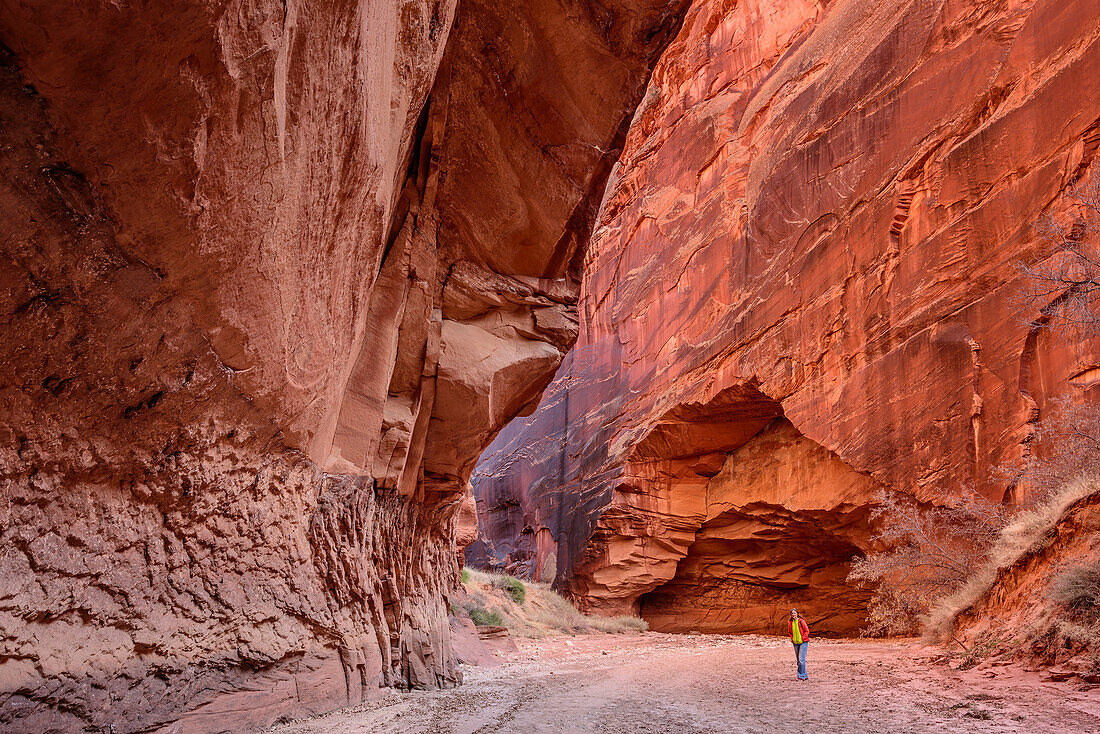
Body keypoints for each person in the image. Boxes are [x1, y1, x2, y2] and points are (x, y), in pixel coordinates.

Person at [788, 608, 809, 680]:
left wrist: (803, 638)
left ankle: (801, 676)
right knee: (799, 660)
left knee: (801, 659)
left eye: (794, 613)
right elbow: (790, 632)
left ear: (797, 614)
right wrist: (792, 638)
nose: (793, 614)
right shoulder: (790, 622)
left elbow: (807, 630)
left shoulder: (801, 621)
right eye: (792, 613)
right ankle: (805, 675)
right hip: (795, 643)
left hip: (803, 642)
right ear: (791, 615)